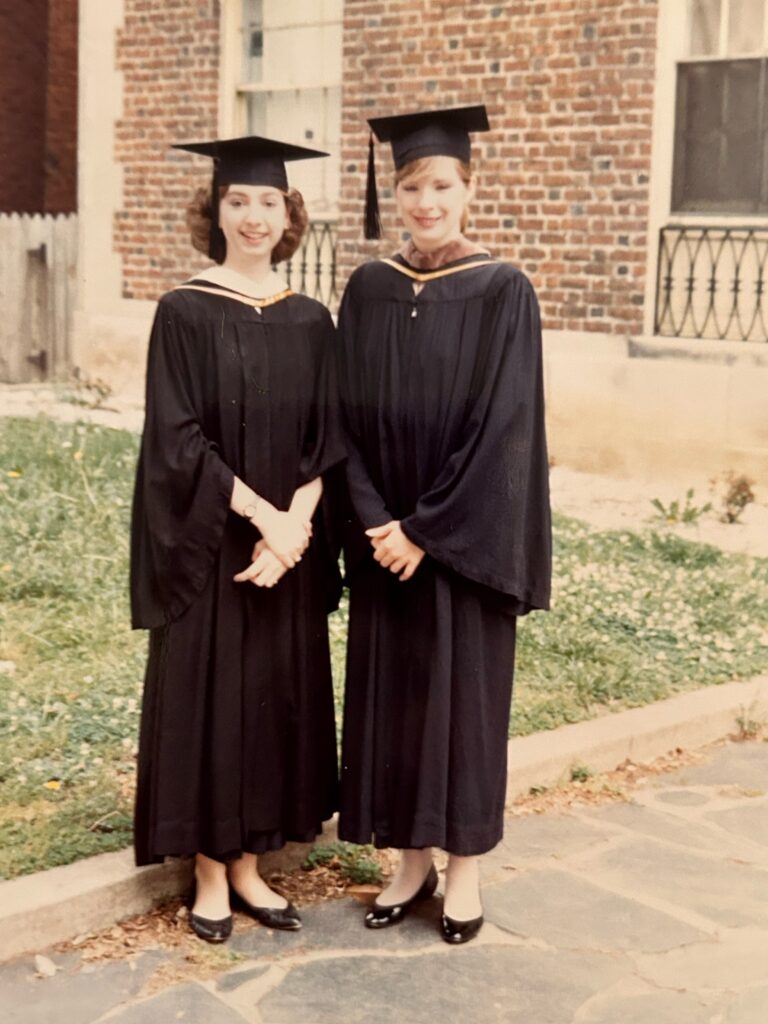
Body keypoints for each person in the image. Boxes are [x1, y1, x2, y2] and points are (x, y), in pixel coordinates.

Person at [336, 105, 551, 944]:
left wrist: (423, 530)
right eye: (411, 187)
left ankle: (463, 873)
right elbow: (341, 417)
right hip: (385, 540)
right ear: (396, 194)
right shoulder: (370, 288)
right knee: (396, 702)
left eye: (441, 186)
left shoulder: (503, 291)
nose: (426, 202)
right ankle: (408, 863)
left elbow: (506, 428)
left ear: (470, 190)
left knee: (461, 704)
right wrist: (376, 521)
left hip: (461, 546)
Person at [130, 135, 344, 943]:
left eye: (269, 203)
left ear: (290, 214)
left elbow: (331, 439)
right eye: (237, 201)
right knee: (216, 696)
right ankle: (211, 873)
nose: (255, 217)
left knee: (272, 696)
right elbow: (178, 441)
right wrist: (264, 517)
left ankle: (253, 863)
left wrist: (297, 529)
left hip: (285, 547)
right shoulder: (184, 311)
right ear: (214, 211)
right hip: (213, 543)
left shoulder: (311, 319)